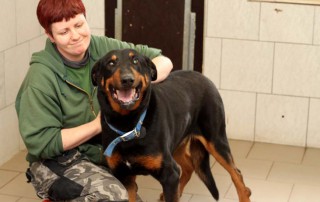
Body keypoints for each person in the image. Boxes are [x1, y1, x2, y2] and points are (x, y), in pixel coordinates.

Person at [15, 0, 173, 201]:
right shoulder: (40, 78)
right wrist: (97, 125)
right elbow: (42, 143)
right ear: (50, 35)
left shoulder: (103, 49)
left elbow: (162, 60)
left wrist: (137, 83)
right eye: (64, 32)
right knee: (115, 197)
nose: (75, 36)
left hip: (98, 153)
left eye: (79, 25)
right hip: (56, 161)